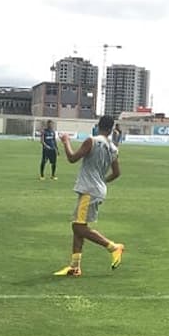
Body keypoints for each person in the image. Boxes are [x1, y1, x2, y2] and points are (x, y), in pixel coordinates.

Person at [53, 115, 125, 277]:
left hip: (89, 190)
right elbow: (117, 173)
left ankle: (113, 247)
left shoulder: (91, 141)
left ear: (98, 125)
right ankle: (74, 267)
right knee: (79, 226)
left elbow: (72, 158)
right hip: (97, 188)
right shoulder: (113, 148)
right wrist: (102, 182)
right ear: (112, 128)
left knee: (78, 226)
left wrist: (65, 141)